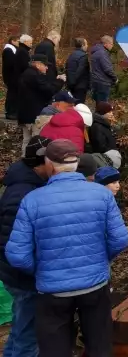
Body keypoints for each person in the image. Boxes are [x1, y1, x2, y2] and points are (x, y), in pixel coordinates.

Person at [5, 139, 128, 357]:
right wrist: (100, 261)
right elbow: (119, 239)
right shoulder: (101, 195)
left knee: (55, 349)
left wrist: (41, 270)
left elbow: (17, 254)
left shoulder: (32, 200)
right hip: (94, 285)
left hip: (52, 291)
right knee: (99, 346)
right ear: (77, 162)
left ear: (50, 165)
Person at [0, 136, 51, 357]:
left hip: (21, 273)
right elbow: (10, 242)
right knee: (28, 335)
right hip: (23, 276)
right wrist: (34, 271)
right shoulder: (22, 193)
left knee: (22, 326)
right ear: (42, 162)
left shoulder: (30, 183)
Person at [17, 54, 65, 154]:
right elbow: (48, 90)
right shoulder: (34, 76)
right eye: (45, 65)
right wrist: (60, 81)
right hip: (34, 115)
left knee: (26, 140)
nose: (47, 67)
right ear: (38, 64)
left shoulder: (27, 73)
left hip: (24, 113)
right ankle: (31, 162)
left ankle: (24, 159)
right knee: (36, 141)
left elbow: (42, 87)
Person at [89, 35, 117, 102]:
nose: (112, 46)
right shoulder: (102, 53)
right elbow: (107, 69)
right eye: (111, 44)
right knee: (103, 105)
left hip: (96, 81)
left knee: (99, 104)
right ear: (106, 44)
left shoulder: (96, 51)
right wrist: (115, 78)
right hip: (103, 82)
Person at [65, 37, 90, 104]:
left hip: (71, 84)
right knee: (79, 105)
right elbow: (80, 71)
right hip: (80, 86)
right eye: (86, 44)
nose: (87, 46)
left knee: (71, 104)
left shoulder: (71, 55)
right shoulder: (83, 56)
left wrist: (70, 83)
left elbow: (67, 68)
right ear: (82, 45)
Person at [3, 35, 20, 119]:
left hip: (12, 76)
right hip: (11, 76)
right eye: (18, 41)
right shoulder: (8, 51)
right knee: (12, 94)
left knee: (13, 94)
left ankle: (12, 111)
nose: (19, 43)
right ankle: (10, 112)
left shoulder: (12, 50)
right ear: (12, 41)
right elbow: (10, 64)